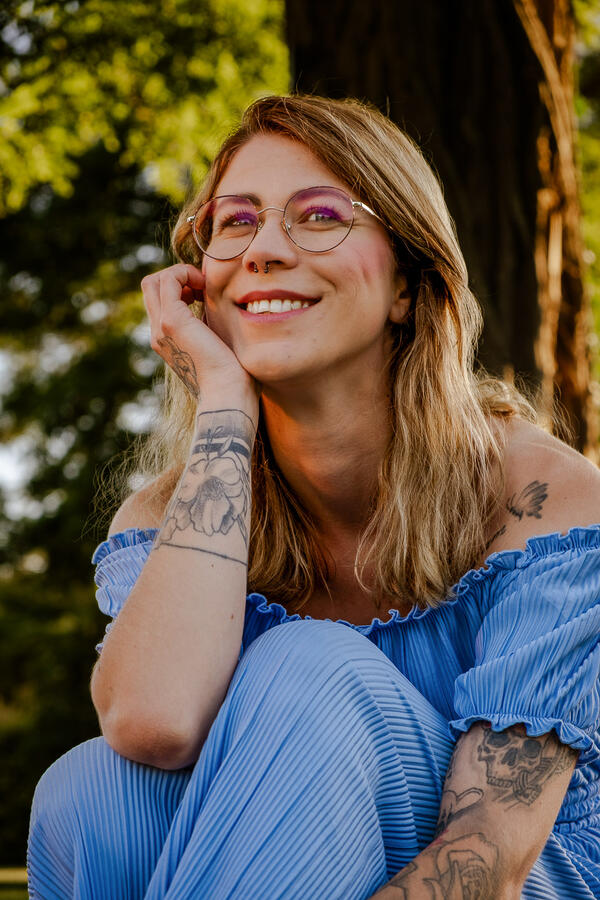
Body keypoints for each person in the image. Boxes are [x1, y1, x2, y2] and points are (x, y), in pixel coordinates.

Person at [27, 94, 600, 900]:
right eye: (234, 222)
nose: (263, 250)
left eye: (320, 215)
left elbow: (491, 853)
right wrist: (224, 406)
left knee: (309, 667)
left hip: (519, 879)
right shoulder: (169, 517)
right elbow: (151, 727)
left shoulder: (541, 496)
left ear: (406, 282)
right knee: (91, 793)